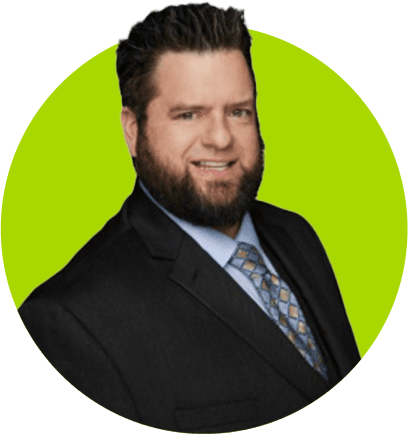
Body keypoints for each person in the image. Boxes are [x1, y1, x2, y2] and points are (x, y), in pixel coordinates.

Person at [18, 3, 360, 432]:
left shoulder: (297, 234)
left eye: (239, 111)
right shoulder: (67, 321)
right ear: (133, 130)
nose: (221, 138)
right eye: (188, 114)